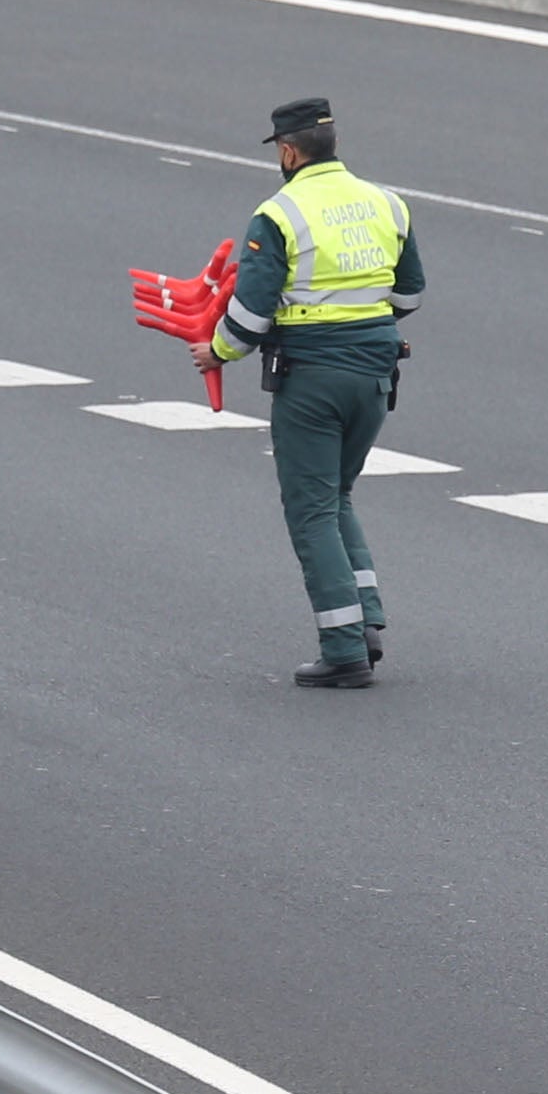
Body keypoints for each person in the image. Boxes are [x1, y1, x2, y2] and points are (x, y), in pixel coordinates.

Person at [200, 96, 427, 686]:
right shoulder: (387, 203)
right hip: (376, 373)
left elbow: (248, 318)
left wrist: (216, 350)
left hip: (313, 379)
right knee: (337, 497)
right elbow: (408, 298)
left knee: (311, 511)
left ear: (288, 151)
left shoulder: (278, 214)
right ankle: (367, 619)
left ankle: (345, 650)